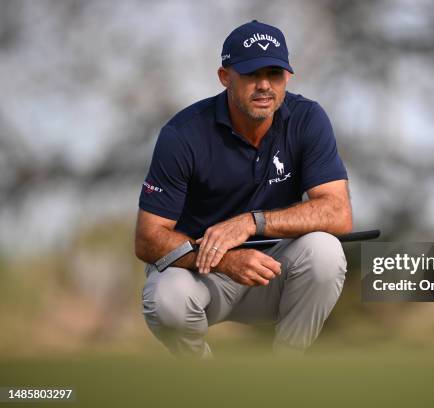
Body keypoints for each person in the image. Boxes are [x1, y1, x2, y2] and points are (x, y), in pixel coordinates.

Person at [134, 20, 352, 357]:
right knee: (166, 298)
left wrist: (252, 222)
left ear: (288, 78)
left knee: (325, 251)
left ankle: (285, 373)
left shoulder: (308, 118)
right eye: (251, 74)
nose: (264, 86)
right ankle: (204, 382)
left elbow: (338, 212)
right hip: (202, 272)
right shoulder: (183, 134)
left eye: (274, 74)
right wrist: (224, 259)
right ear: (225, 77)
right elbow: (149, 239)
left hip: (274, 272)